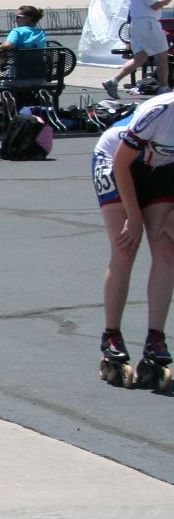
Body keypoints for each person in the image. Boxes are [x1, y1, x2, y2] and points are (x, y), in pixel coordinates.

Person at [92, 92, 174, 389]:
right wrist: (134, 217)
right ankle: (111, 334)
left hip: (162, 167)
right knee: (126, 246)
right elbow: (122, 164)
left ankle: (156, 338)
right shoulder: (162, 110)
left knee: (167, 248)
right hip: (117, 160)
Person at [104, 0, 174, 100]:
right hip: (148, 23)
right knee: (162, 56)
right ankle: (164, 88)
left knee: (140, 57)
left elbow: (151, 1)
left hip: (138, 23)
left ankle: (113, 80)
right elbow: (155, 5)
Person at [0, 4, 49, 85]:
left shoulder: (17, 31)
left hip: (19, 77)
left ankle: (7, 96)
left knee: (0, 78)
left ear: (29, 18)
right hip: (39, 77)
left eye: (18, 17)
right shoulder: (41, 33)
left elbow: (8, 45)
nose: (16, 20)